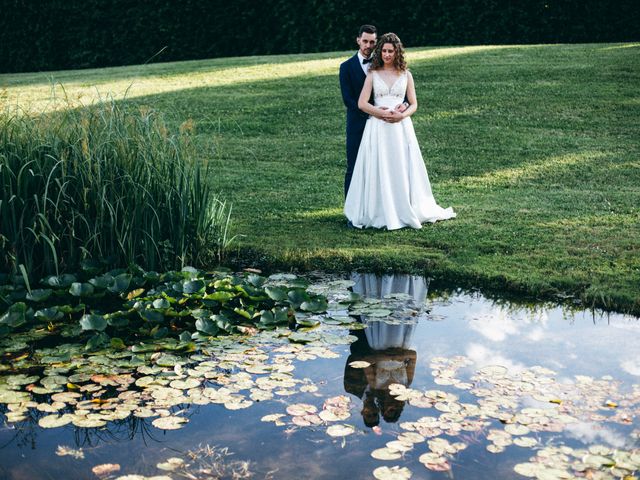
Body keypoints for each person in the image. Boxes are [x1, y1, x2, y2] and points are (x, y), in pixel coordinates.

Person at [343, 33, 456, 230]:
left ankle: (404, 207)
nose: (387, 54)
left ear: (397, 52)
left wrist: (401, 116)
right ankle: (379, 209)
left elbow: (413, 104)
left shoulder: (406, 75)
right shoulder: (373, 73)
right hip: (377, 127)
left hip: (400, 128)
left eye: (390, 51)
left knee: (401, 166)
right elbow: (361, 103)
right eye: (384, 51)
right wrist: (379, 113)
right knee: (379, 166)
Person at [339, 25, 408, 200]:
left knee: (380, 167)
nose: (368, 45)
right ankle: (351, 209)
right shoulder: (346, 67)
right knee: (354, 166)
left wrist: (403, 106)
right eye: (365, 41)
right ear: (358, 40)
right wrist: (374, 112)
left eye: (372, 42)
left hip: (384, 126)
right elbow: (349, 100)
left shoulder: (381, 66)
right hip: (358, 124)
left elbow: (402, 94)